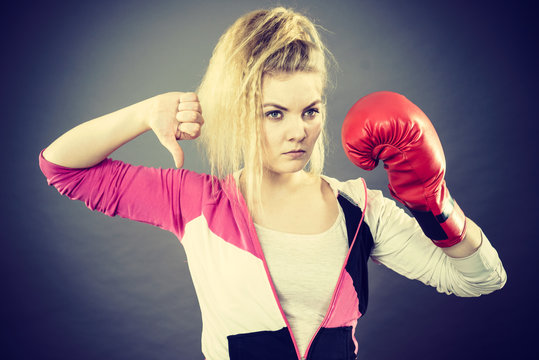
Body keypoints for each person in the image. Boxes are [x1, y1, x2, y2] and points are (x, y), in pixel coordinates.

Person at [39, 7, 506, 360]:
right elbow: (62, 167)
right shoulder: (198, 202)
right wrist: (143, 114)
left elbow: (480, 280)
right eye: (274, 113)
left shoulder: (361, 209)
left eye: (310, 110)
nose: (298, 131)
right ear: (243, 112)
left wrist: (434, 205)